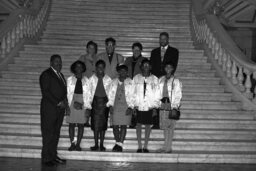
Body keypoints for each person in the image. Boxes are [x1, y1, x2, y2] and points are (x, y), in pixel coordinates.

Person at [39, 54, 68, 166]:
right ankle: (46, 158)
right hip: (49, 110)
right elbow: (45, 92)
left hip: (59, 110)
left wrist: (64, 102)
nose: (59, 63)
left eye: (60, 62)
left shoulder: (60, 75)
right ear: (51, 62)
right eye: (56, 61)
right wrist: (58, 102)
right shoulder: (46, 74)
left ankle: (53, 156)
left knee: (55, 134)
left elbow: (63, 91)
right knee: (48, 134)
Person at [150, 32, 179, 129]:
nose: (162, 41)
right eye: (160, 39)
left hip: (167, 80)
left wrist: (167, 77)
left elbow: (174, 66)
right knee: (156, 100)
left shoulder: (174, 51)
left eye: (164, 39)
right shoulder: (154, 51)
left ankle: (166, 121)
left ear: (168, 39)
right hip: (156, 80)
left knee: (166, 101)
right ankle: (156, 122)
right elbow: (151, 66)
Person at [133, 59, 159, 153]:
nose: (146, 67)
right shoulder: (136, 78)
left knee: (148, 125)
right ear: (141, 67)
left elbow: (157, 94)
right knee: (138, 125)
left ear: (151, 67)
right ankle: (139, 146)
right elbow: (133, 93)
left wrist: (155, 107)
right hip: (139, 105)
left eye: (148, 65)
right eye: (144, 65)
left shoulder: (155, 79)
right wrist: (134, 106)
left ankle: (145, 146)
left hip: (149, 105)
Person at [107, 64, 134, 152]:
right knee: (115, 125)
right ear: (118, 72)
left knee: (123, 126)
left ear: (127, 72)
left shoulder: (131, 82)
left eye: (124, 71)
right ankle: (117, 142)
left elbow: (134, 95)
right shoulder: (113, 81)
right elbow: (109, 94)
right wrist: (110, 105)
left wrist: (131, 107)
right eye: (121, 71)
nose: (123, 73)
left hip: (126, 106)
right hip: (115, 106)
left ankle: (120, 144)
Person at [66, 60, 91, 151]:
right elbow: (67, 93)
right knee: (71, 124)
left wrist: (87, 107)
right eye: (77, 67)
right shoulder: (69, 79)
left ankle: (78, 144)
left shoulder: (87, 80)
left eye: (81, 66)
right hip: (72, 101)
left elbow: (89, 95)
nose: (79, 68)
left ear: (83, 68)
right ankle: (72, 143)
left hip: (83, 102)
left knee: (81, 124)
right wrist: (68, 106)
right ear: (74, 68)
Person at [157, 62, 182, 153]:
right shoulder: (160, 79)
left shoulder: (176, 81)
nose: (168, 69)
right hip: (163, 105)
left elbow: (178, 94)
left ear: (172, 69)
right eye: (166, 67)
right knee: (165, 127)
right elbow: (157, 92)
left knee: (170, 127)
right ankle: (165, 146)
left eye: (170, 67)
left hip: (171, 106)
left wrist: (175, 107)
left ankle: (168, 147)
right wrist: (158, 102)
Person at [89, 60, 112, 151]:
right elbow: (89, 92)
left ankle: (101, 144)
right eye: (99, 67)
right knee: (95, 125)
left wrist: (110, 104)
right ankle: (95, 144)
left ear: (104, 68)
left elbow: (111, 93)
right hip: (94, 103)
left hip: (104, 103)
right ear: (96, 68)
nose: (100, 69)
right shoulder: (91, 79)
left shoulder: (108, 79)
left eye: (102, 67)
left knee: (103, 125)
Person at [124, 42, 146, 128]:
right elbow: (124, 71)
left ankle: (136, 121)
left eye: (138, 50)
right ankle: (128, 120)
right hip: (129, 84)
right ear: (132, 50)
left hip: (139, 84)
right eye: (134, 49)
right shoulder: (128, 60)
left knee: (137, 102)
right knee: (129, 101)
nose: (136, 51)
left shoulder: (144, 60)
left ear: (141, 50)